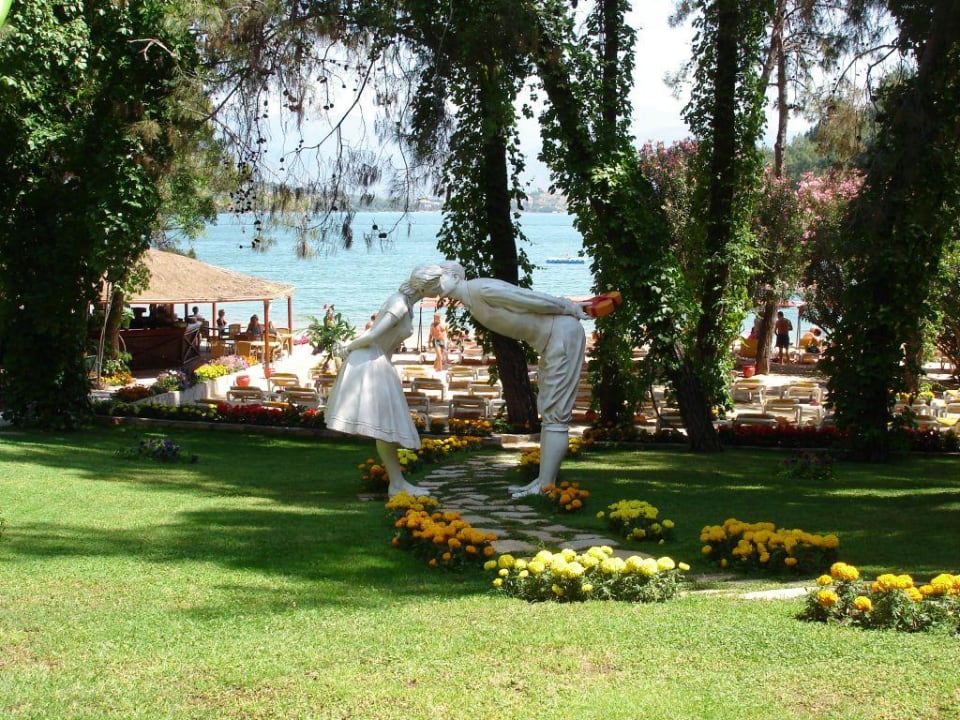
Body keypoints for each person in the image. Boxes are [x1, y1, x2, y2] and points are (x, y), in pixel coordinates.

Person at [416, 261, 592, 498]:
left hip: (561, 335)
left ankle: (545, 486)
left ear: (456, 277)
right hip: (552, 340)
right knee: (550, 414)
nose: (435, 284)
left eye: (440, 276)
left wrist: (570, 307)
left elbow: (527, 298)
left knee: (556, 415)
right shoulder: (472, 300)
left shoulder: (480, 289)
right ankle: (543, 482)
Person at [325, 268, 436, 497]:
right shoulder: (399, 303)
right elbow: (373, 335)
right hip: (369, 360)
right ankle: (396, 483)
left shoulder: (406, 305)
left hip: (380, 361)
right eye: (437, 286)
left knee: (387, 426)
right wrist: (347, 347)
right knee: (386, 425)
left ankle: (396, 482)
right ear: (424, 287)